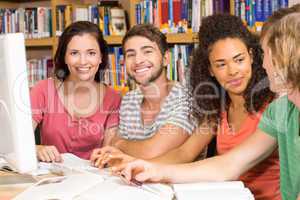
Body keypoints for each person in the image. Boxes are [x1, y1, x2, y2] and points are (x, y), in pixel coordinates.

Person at [113, 8, 300, 200]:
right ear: (210, 69)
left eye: (239, 60)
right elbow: (226, 165)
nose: (233, 71)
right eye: (221, 64)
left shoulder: (276, 105)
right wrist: (150, 168)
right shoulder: (275, 110)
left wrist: (128, 152)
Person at [90, 24, 197, 167]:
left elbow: (153, 151)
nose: (138, 60)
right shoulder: (129, 99)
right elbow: (113, 152)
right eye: (131, 54)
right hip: (135, 183)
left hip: (176, 186)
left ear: (165, 59)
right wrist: (116, 149)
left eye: (147, 51)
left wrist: (119, 143)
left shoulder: (186, 98)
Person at [30, 21, 121, 162]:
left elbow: (108, 152)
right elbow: (19, 141)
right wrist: (36, 149)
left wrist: (106, 157)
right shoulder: (43, 90)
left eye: (91, 53)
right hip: (51, 177)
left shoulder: (113, 99)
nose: (83, 61)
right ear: (64, 57)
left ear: (101, 57)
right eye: (74, 53)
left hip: (94, 178)